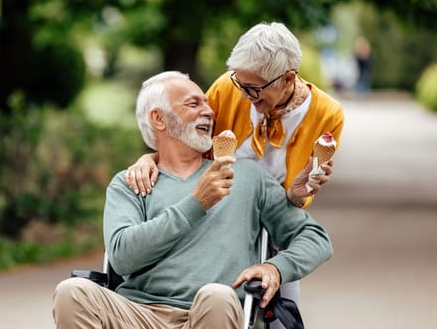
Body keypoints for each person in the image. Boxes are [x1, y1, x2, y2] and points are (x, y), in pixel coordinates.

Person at [52, 71, 333, 329]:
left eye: (207, 103)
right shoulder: (131, 183)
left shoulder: (247, 176)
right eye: (193, 104)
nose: (210, 111)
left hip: (210, 312)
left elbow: (315, 238)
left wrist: (276, 267)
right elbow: (123, 257)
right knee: (72, 292)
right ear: (159, 119)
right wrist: (196, 202)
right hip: (136, 314)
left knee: (216, 295)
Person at [124, 22, 344, 327]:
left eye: (254, 89)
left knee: (282, 315)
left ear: (288, 79)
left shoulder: (327, 115)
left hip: (274, 219)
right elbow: (186, 141)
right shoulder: (227, 89)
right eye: (240, 83)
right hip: (218, 215)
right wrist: (151, 157)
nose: (243, 96)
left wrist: (297, 194)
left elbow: (297, 203)